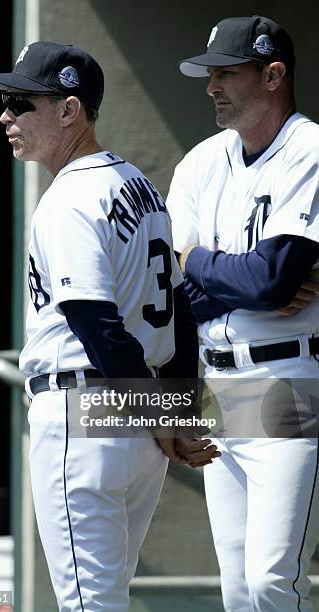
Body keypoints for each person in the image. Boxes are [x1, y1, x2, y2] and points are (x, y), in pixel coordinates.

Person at [0, 42, 219, 611]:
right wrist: (175, 414)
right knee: (104, 598)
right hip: (132, 420)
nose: (4, 116)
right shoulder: (140, 184)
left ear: (69, 110)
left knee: (90, 604)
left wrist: (161, 419)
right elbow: (181, 310)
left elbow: (97, 323)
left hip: (86, 410)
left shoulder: (70, 198)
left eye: (20, 102)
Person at [166, 15, 319, 612]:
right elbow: (182, 293)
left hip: (287, 380)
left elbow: (272, 277)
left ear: (273, 74)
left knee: (271, 582)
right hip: (215, 383)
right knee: (236, 588)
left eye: (227, 72)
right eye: (210, 74)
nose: (212, 87)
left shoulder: (308, 149)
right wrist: (242, 279)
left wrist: (201, 261)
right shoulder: (201, 161)